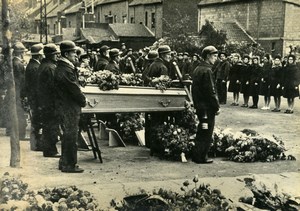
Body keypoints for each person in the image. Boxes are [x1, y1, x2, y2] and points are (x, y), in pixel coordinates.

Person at [54, 40, 86, 173]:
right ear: (66, 54)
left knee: (67, 135)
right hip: (69, 107)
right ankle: (69, 165)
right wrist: (83, 100)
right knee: (70, 135)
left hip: (65, 106)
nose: (76, 56)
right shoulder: (65, 69)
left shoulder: (64, 67)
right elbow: (73, 88)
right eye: (74, 53)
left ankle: (65, 162)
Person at [191, 46, 220, 164]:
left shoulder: (198, 68)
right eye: (214, 56)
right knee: (206, 132)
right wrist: (216, 106)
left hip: (200, 106)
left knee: (202, 129)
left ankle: (197, 155)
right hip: (208, 107)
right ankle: (201, 156)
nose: (216, 59)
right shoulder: (207, 70)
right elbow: (211, 91)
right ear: (208, 56)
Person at [37, 43, 61, 157]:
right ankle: (50, 150)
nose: (57, 56)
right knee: (52, 126)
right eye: (55, 54)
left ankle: (48, 149)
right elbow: (53, 86)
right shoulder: (50, 67)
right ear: (50, 55)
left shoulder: (44, 65)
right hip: (50, 102)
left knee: (48, 125)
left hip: (44, 101)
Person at [5, 41, 28, 139]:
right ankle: (19, 133)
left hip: (13, 91)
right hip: (18, 91)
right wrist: (24, 93)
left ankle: (11, 130)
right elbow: (21, 80)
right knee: (19, 112)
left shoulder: (13, 62)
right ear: (21, 53)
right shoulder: (18, 64)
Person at [25, 43, 44, 150]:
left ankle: (35, 143)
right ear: (39, 56)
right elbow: (37, 86)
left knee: (35, 121)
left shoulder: (31, 65)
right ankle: (36, 144)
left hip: (32, 97)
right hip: (36, 98)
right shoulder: (36, 67)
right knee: (37, 121)